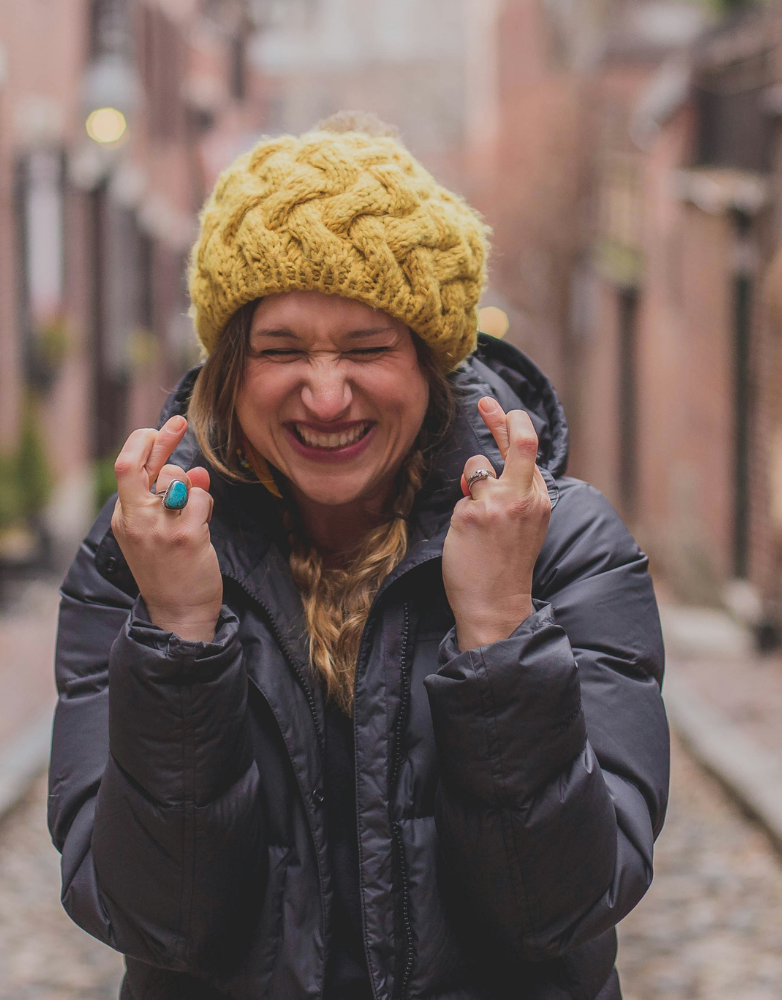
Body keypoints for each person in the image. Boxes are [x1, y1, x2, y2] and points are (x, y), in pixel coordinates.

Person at [48, 113, 669, 1000]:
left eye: (369, 349)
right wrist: (180, 637)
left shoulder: (564, 549)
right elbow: (156, 922)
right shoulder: (135, 562)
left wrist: (498, 631)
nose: (327, 393)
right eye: (282, 349)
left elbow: (561, 911)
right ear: (231, 369)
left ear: (429, 366)